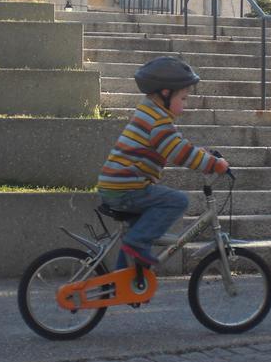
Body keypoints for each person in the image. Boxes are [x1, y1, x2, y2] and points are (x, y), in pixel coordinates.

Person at [97, 56, 229, 269]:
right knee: (176, 201)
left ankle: (125, 277)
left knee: (139, 230)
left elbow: (175, 145)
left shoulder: (149, 113)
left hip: (116, 184)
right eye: (184, 99)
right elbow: (180, 153)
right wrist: (213, 164)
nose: (185, 105)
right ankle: (136, 245)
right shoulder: (158, 121)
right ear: (165, 94)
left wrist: (201, 154)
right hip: (127, 187)